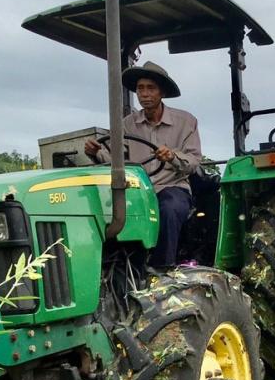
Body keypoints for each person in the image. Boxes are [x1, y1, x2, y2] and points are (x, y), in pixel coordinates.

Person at [85, 61, 201, 267]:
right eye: (140, 88)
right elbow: (116, 161)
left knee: (168, 208)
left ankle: (161, 270)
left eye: (151, 88)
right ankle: (116, 269)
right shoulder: (127, 124)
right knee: (106, 210)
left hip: (171, 186)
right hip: (136, 191)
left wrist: (173, 156)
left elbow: (193, 161)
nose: (144, 94)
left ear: (162, 92)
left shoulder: (186, 121)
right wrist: (96, 154)